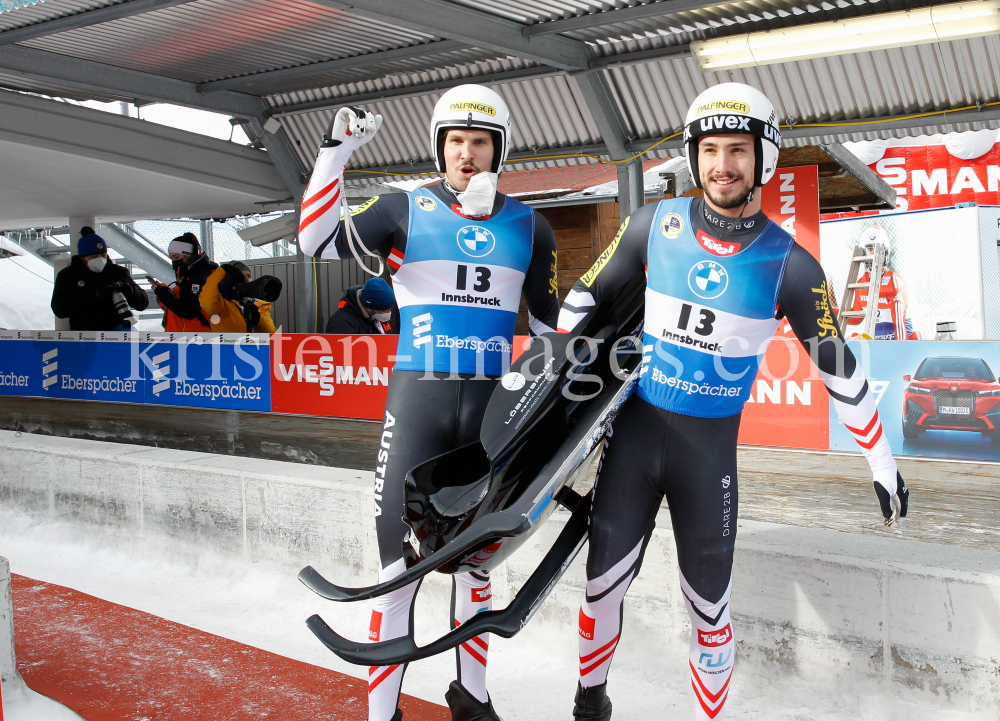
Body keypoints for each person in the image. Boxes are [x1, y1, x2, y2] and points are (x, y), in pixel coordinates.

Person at [555, 83, 910, 721]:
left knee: (708, 612)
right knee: (601, 589)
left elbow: (841, 373)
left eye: (739, 150)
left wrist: (882, 462)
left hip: (707, 458)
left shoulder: (791, 265)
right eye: (711, 149)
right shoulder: (652, 225)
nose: (724, 164)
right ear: (694, 157)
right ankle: (590, 706)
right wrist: (543, 378)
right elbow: (581, 302)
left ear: (763, 159)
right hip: (633, 441)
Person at [298, 84, 560, 721]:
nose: (467, 154)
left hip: (489, 414)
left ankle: (472, 698)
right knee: (398, 565)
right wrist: (334, 154)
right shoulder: (402, 208)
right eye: (455, 141)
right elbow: (316, 243)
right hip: (418, 401)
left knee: (475, 566)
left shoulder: (532, 225)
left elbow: (555, 333)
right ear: (440, 147)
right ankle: (382, 714)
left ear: (499, 151)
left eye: (480, 143)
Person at [51, 226, 148, 331]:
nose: (100, 259)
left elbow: (142, 304)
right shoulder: (68, 275)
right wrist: (93, 294)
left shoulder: (117, 272)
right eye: (94, 257)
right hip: (85, 334)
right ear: (83, 257)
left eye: (103, 255)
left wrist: (129, 289)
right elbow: (59, 309)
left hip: (117, 330)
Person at [844, 227, 918, 340]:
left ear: (885, 251)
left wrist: (901, 352)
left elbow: (899, 324)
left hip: (897, 339)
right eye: (868, 248)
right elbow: (856, 318)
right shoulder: (861, 282)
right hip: (875, 339)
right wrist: (825, 310)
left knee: (919, 336)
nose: (872, 253)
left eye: (876, 248)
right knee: (852, 337)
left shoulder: (894, 281)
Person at [152, 232, 217, 332]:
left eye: (177, 257)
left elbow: (188, 311)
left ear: (188, 255)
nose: (174, 262)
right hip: (182, 335)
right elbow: (175, 307)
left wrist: (162, 292)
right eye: (172, 258)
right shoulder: (186, 277)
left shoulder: (197, 278)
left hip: (194, 337)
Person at [199, 260, 277, 333]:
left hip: (254, 347)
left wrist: (257, 320)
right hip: (226, 347)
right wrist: (222, 270)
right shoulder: (220, 303)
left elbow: (273, 334)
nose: (247, 280)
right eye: (241, 277)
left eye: (249, 276)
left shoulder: (259, 304)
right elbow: (207, 302)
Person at [326, 277, 395, 334]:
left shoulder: (378, 316)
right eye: (384, 310)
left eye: (390, 309)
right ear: (369, 308)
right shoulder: (342, 323)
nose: (388, 313)